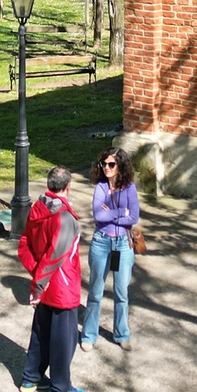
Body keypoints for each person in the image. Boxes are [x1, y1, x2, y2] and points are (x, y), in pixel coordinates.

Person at [17, 166, 86, 392]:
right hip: (60, 285)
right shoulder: (64, 217)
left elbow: (24, 244)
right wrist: (40, 284)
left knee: (40, 332)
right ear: (68, 186)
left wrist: (35, 275)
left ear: (49, 185)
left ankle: (31, 377)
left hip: (43, 281)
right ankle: (60, 387)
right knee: (64, 338)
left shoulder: (37, 208)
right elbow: (55, 255)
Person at [81, 147, 139, 351]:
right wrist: (121, 211)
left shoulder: (130, 188)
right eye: (104, 164)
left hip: (123, 244)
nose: (106, 168)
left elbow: (134, 217)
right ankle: (88, 335)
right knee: (95, 291)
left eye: (111, 164)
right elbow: (98, 216)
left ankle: (122, 334)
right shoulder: (100, 188)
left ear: (120, 166)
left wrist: (112, 213)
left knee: (121, 292)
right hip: (101, 242)